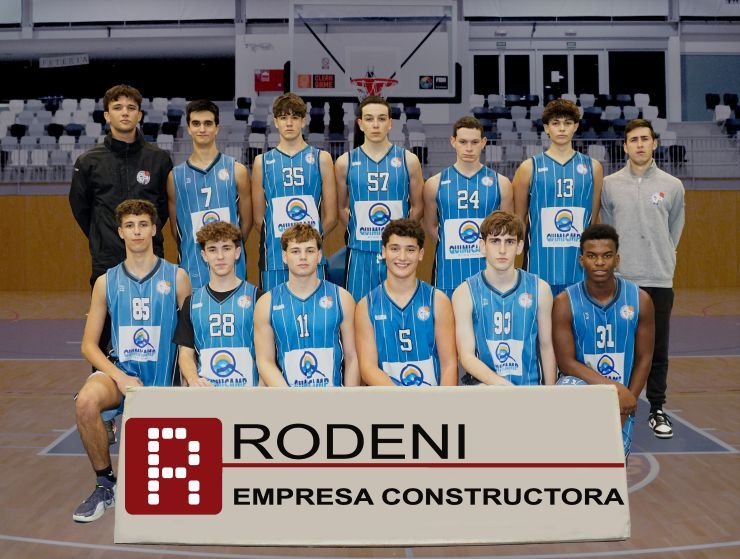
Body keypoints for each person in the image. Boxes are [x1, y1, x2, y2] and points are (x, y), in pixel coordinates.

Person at [72, 199, 190, 523]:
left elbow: (189, 337)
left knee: (163, 492)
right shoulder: (105, 282)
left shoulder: (177, 277)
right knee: (85, 402)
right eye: (130, 226)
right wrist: (119, 377)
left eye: (142, 225)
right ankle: (105, 485)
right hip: (122, 375)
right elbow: (88, 345)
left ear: (154, 230)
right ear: (120, 232)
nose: (137, 231)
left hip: (162, 381)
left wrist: (189, 377)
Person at [69, 84, 173, 352]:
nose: (124, 113)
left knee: (155, 334)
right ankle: (105, 378)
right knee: (104, 338)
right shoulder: (89, 161)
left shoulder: (159, 159)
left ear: (140, 114)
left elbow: (163, 208)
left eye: (131, 108)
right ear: (107, 115)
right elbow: (81, 209)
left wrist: (142, 238)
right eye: (117, 108)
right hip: (107, 261)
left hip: (151, 261)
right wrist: (104, 236)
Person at [600, 119, 685, 439]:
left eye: (645, 139)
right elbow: (608, 230)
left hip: (659, 278)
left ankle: (657, 408)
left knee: (658, 348)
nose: (639, 144)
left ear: (654, 144)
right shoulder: (610, 185)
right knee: (622, 346)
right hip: (622, 279)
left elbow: (674, 231)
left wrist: (660, 258)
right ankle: (620, 404)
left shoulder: (672, 185)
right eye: (633, 139)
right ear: (625, 146)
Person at [552, 223, 655, 456]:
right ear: (582, 260)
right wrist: (614, 388)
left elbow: (645, 357)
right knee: (566, 390)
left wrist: (628, 400)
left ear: (617, 259)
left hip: (622, 398)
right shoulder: (564, 302)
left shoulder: (641, 300)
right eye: (592, 256)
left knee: (613, 466)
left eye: (607, 256)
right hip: (583, 393)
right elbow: (566, 363)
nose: (599, 262)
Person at [335, 95, 424, 302]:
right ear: (360, 124)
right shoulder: (345, 162)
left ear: (390, 123)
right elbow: (341, 208)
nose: (375, 125)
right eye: (369, 119)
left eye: (381, 118)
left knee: (399, 306)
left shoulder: (409, 160)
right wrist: (361, 231)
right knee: (358, 309)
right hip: (360, 252)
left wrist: (400, 234)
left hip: (397, 252)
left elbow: (418, 207)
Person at [452, 210, 556, 386]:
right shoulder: (464, 293)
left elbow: (546, 347)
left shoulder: (540, 289)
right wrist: (502, 386)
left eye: (509, 242)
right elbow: (466, 355)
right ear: (482, 246)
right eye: (495, 241)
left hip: (530, 389)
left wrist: (550, 393)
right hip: (486, 389)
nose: (502, 250)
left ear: (519, 247)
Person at [512, 98, 603, 296]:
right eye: (555, 123)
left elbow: (593, 220)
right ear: (546, 128)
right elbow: (519, 220)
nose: (562, 128)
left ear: (575, 126)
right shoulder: (528, 168)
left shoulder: (593, 168)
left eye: (567, 123)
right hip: (539, 265)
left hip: (579, 266)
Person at [254, 224, 360, 387]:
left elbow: (352, 357)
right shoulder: (266, 303)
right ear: (284, 256)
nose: (303, 257)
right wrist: (290, 397)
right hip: (287, 398)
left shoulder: (342, 298)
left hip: (334, 398)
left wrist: (348, 399)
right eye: (295, 251)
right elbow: (264, 361)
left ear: (319, 255)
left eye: (310, 251)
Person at [355, 219, 458, 386]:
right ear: (384, 251)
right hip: (388, 399)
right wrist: (401, 398)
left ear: (421, 254)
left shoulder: (438, 301)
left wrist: (442, 401)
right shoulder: (366, 306)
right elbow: (368, 368)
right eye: (395, 249)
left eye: (410, 250)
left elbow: (449, 364)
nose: (402, 257)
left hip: (432, 399)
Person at [252, 92, 337, 290]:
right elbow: (258, 219)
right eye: (283, 117)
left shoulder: (321, 158)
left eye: (295, 117)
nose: (289, 123)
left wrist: (307, 242)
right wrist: (286, 243)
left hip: (311, 257)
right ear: (275, 122)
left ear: (303, 121)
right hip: (274, 256)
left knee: (315, 307)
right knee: (273, 307)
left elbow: (331, 217)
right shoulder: (262, 162)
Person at [423, 116, 513, 299]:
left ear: (484, 143)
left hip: (489, 272)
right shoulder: (434, 183)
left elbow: (508, 230)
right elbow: (431, 226)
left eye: (475, 142)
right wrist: (455, 245)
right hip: (448, 272)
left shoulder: (501, 183)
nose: (469, 148)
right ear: (453, 141)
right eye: (463, 142)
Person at [167, 99, 251, 289]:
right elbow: (177, 230)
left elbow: (246, 224)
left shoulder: (237, 170)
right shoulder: (175, 177)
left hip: (232, 268)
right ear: (189, 128)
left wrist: (226, 247)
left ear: (217, 128)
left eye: (208, 123)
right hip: (192, 267)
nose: (202, 129)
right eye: (196, 123)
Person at [173, 221, 261, 387]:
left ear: (237, 252)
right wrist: (193, 379)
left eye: (226, 248)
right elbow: (185, 354)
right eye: (212, 249)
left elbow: (267, 355)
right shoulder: (192, 303)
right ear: (204, 255)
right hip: (206, 394)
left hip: (248, 393)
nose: (220, 257)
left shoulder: (258, 298)